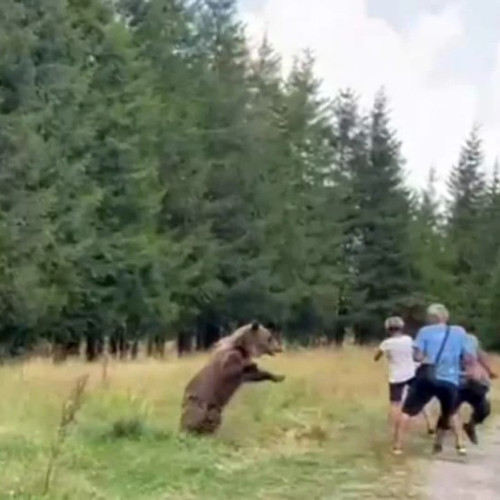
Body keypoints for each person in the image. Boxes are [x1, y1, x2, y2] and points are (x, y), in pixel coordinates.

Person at [392, 303, 473, 456]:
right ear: (446, 316)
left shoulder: (425, 332)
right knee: (452, 411)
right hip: (450, 378)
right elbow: (467, 356)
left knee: (407, 411)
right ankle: (460, 445)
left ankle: (398, 446)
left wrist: (424, 357)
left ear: (431, 317)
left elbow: (417, 356)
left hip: (427, 376)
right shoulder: (459, 332)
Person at [374, 316, 434, 440]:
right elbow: (417, 354)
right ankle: (431, 424)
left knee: (395, 403)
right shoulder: (408, 339)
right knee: (418, 399)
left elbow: (376, 357)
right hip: (411, 373)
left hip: (395, 376)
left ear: (388, 329)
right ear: (402, 327)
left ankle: (394, 428)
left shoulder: (387, 343)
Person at [448, 327, 496, 445]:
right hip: (456, 381)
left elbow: (479, 356)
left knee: (484, 410)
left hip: (473, 382)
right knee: (450, 410)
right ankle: (449, 439)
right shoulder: (445, 341)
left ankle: (470, 426)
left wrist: (489, 371)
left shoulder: (471, 340)